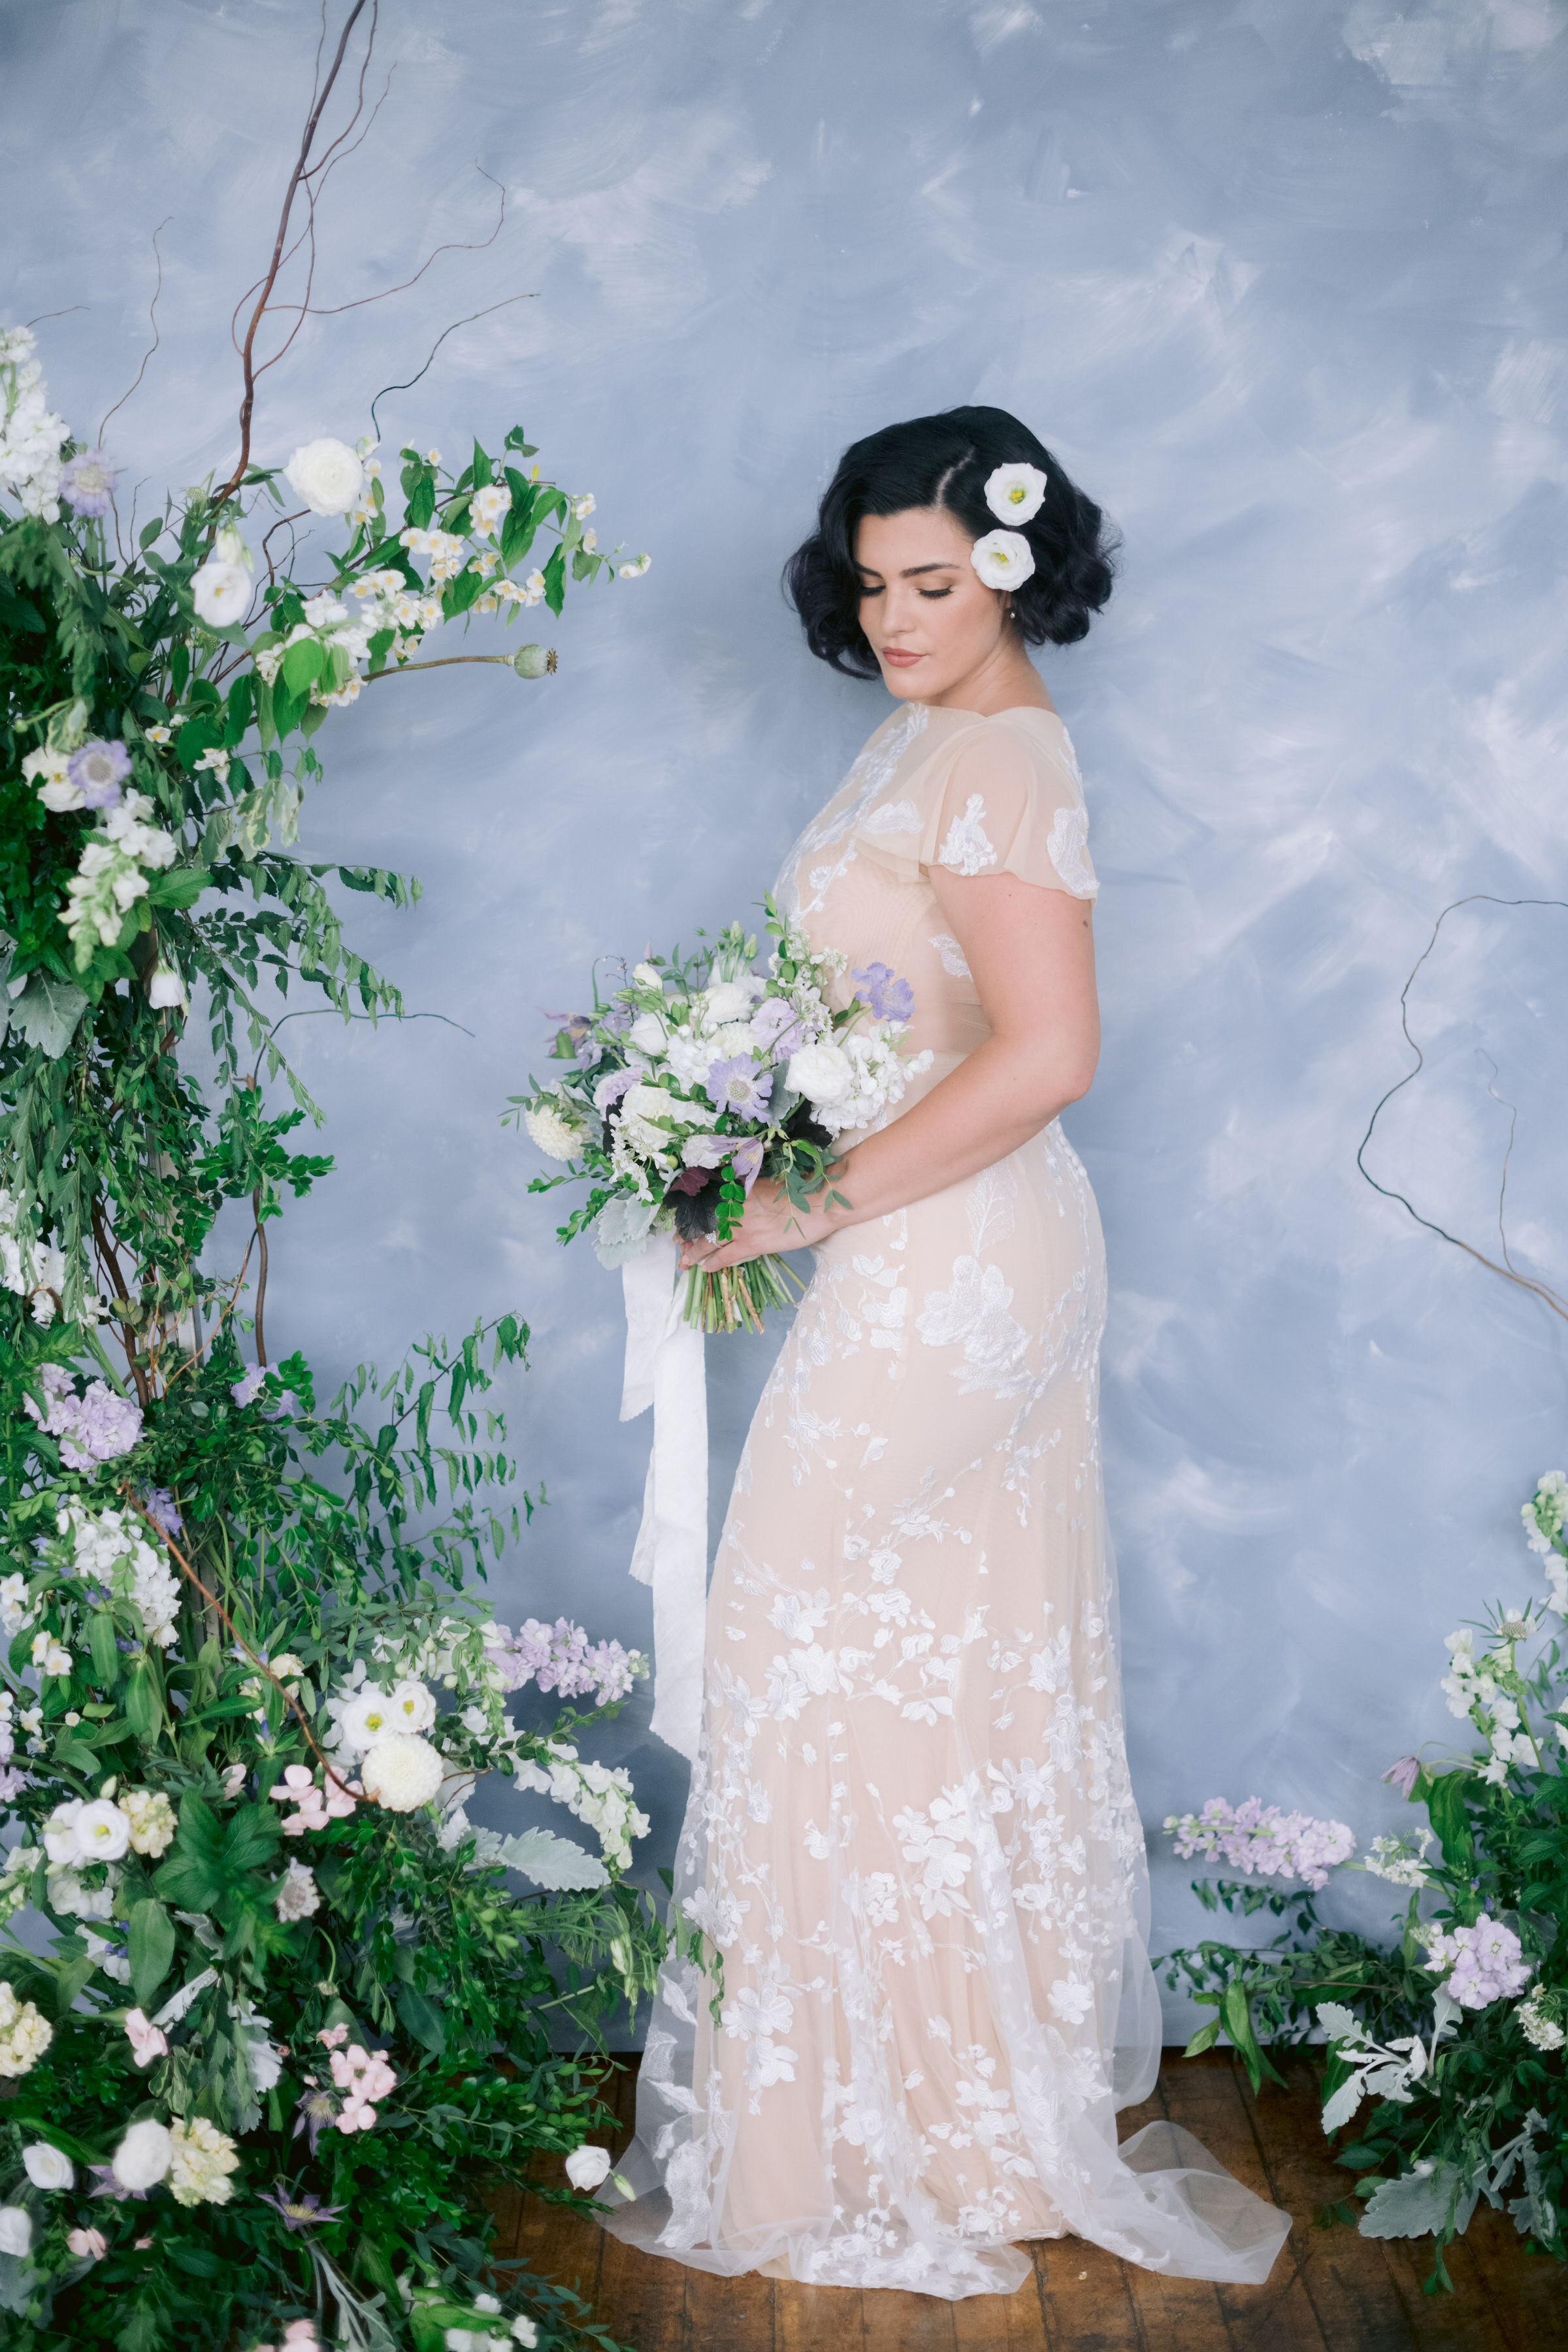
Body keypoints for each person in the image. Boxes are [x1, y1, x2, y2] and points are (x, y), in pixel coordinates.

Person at [600, 407, 1289, 2296]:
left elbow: (1051, 1053)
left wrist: (797, 1202)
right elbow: (906, 1012)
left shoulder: (999, 755)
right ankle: (931, 2123)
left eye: (932, 582)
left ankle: (888, 2131)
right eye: (871, 583)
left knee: (812, 1633)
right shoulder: (929, 734)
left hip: (961, 1254)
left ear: (1012, 569)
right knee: (926, 1654)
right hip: (926, 1235)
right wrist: (742, 1128)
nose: (894, 618)